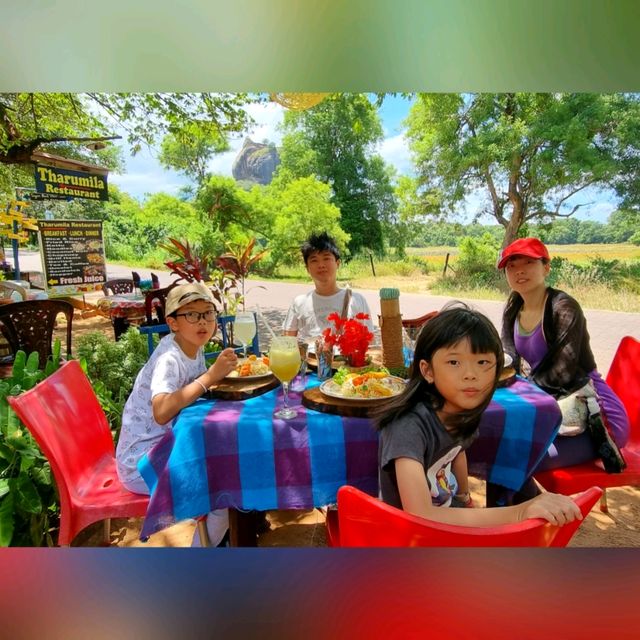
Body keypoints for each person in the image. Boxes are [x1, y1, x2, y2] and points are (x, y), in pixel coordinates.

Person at [377, 304, 582, 527]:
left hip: (446, 514)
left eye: (482, 362)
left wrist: (464, 497)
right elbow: (420, 515)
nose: (471, 375)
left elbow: (456, 451)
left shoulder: (460, 409)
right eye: (454, 362)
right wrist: (520, 512)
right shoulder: (408, 426)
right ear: (427, 371)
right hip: (412, 535)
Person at [116, 282, 238, 546]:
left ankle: (220, 538)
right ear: (173, 323)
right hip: (142, 463)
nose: (202, 321)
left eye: (208, 313)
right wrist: (210, 376)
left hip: (167, 447)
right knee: (225, 491)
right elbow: (161, 412)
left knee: (229, 464)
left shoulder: (192, 345)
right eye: (192, 315)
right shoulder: (169, 358)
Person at [498, 237, 629, 474]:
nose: (519, 271)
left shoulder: (563, 307)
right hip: (553, 406)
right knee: (501, 448)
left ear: (546, 267)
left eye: (528, 262)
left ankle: (526, 511)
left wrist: (519, 397)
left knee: (513, 459)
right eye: (511, 266)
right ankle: (513, 511)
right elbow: (508, 360)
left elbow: (561, 372)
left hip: (594, 415)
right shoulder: (513, 307)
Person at [283, 231, 374, 342]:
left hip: (346, 359)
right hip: (309, 359)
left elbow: (368, 341)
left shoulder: (357, 300)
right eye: (314, 260)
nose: (321, 265)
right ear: (307, 268)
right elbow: (287, 343)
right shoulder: (299, 303)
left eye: (326, 258)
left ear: (337, 263)